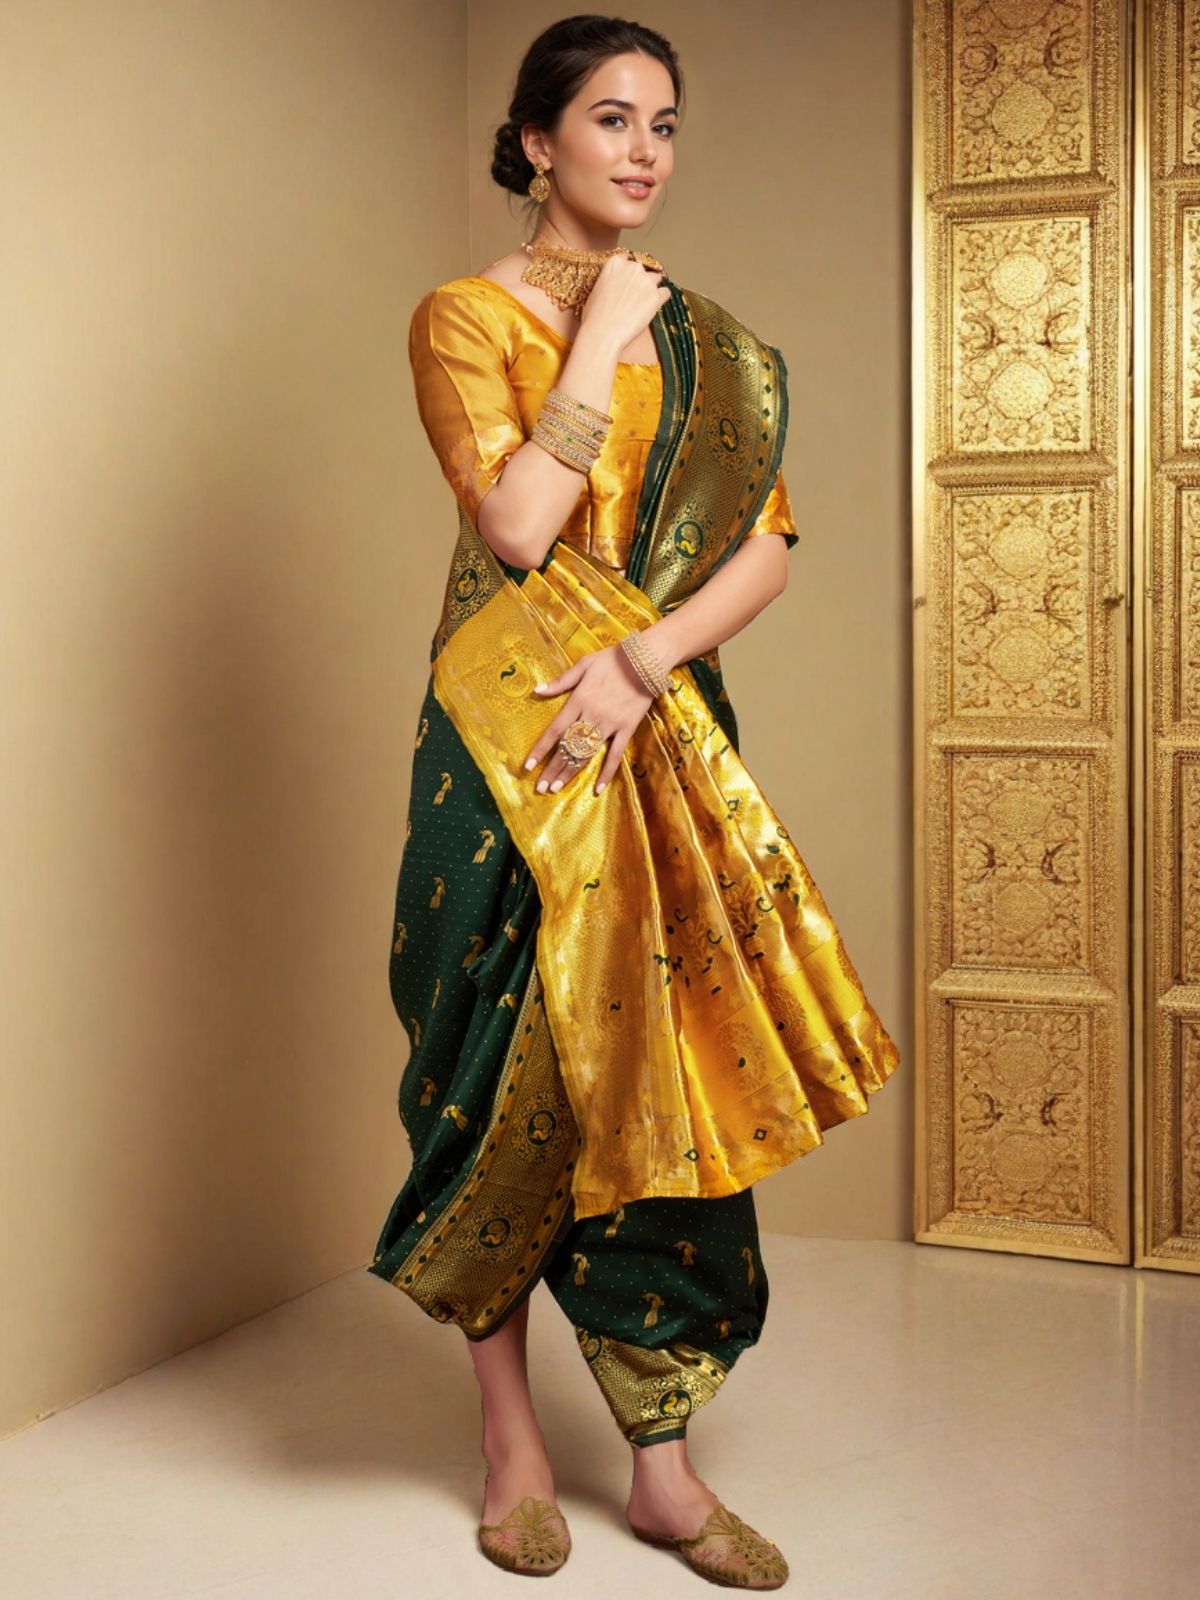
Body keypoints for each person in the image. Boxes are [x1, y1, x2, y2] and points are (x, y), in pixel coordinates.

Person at [366, 14, 900, 1587]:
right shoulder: (465, 318)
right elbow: (520, 527)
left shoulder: (717, 346)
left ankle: (661, 1471)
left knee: (660, 1066)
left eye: (664, 123)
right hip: (510, 742)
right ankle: (513, 1445)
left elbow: (769, 549)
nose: (646, 150)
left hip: (656, 732)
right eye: (612, 119)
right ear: (539, 141)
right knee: (492, 1059)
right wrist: (598, 334)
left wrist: (645, 663)